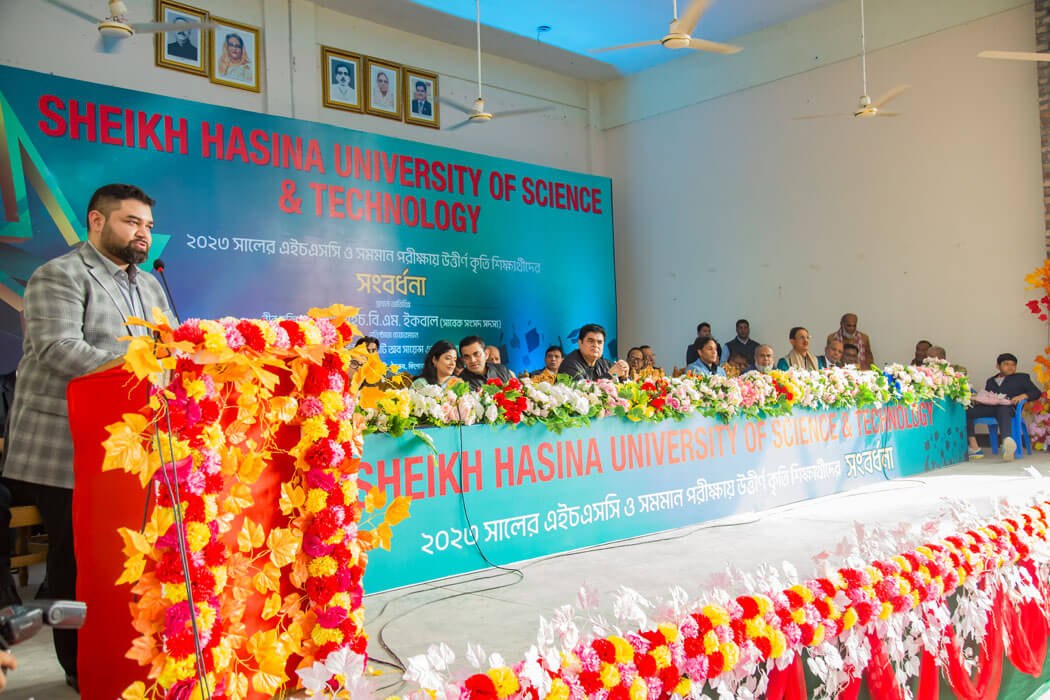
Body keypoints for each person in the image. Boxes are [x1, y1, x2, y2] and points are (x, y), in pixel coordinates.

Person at [2, 184, 171, 690]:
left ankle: (124, 655)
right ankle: (78, 665)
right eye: (131, 222)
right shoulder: (59, 274)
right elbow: (59, 348)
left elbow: (170, 345)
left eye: (147, 226)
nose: (142, 235)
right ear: (96, 221)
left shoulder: (150, 285)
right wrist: (142, 369)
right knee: (76, 561)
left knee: (122, 560)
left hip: (131, 448)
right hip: (63, 447)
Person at [966, 353, 1041, 460]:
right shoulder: (990, 381)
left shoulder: (1022, 378)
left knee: (1003, 408)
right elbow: (988, 396)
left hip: (1009, 408)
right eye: (1006, 364)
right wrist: (979, 400)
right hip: (991, 408)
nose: (1010, 367)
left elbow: (1036, 392)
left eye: (1013, 365)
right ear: (998, 366)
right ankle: (974, 447)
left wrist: (1023, 395)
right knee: (967, 410)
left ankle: (1007, 443)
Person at [558, 324, 629, 382]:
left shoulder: (605, 364)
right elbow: (582, 391)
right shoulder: (570, 364)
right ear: (580, 343)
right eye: (591, 341)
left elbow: (619, 388)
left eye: (599, 342)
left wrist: (623, 376)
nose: (595, 345)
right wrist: (609, 375)